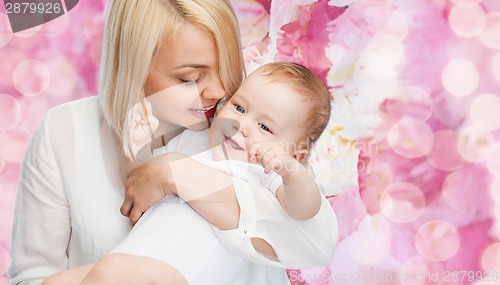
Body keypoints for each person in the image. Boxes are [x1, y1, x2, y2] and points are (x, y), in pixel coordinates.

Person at [8, 0, 336, 284]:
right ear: (133, 66)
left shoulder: (267, 149)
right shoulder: (64, 131)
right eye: (190, 79)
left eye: (226, 68)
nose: (220, 92)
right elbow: (139, 181)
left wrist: (177, 173)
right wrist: (140, 149)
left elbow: (314, 240)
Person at [42, 62, 339, 285]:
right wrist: (139, 145)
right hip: (141, 253)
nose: (242, 125)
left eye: (265, 127)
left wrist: (291, 172)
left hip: (181, 269)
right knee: (58, 282)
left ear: (296, 153)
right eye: (238, 107)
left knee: (112, 271)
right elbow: (143, 181)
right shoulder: (191, 145)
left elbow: (304, 210)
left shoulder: (265, 174)